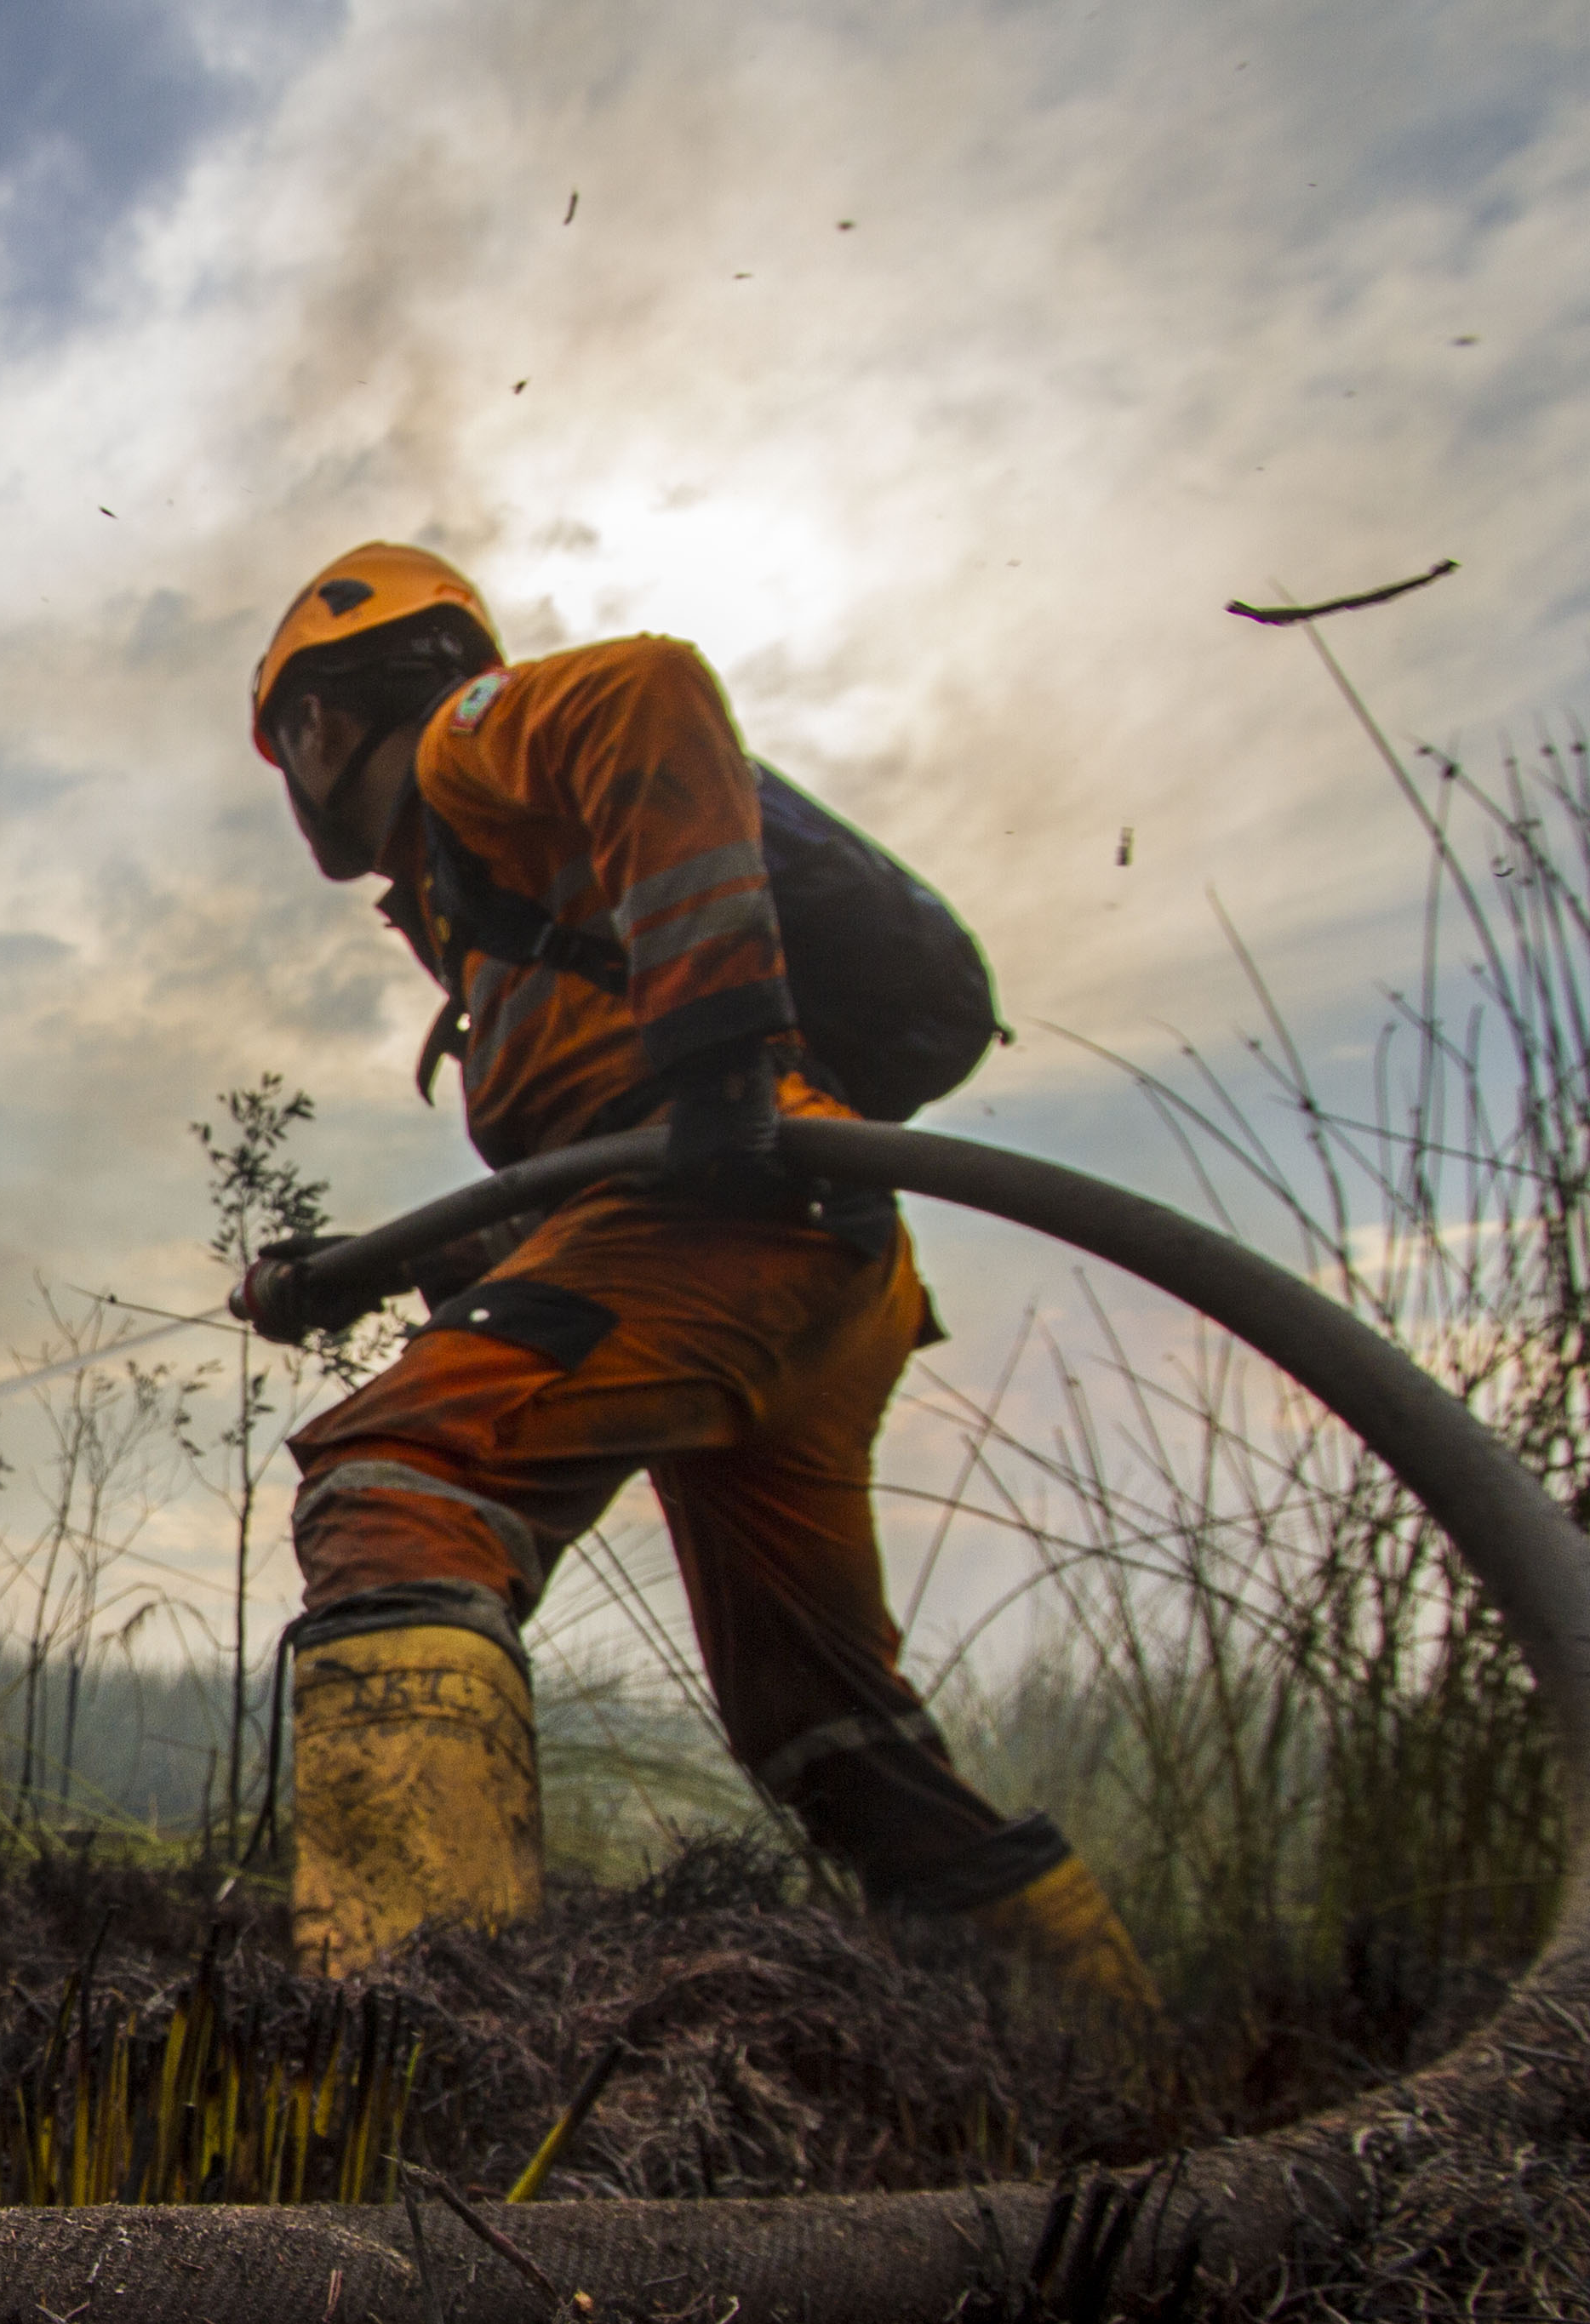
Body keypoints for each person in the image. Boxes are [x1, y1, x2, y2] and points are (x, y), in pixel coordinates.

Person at [232, 540, 1158, 2016]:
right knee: (823, 1728)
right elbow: (584, 1169)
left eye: (287, 738)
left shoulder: (474, 747)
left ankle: (416, 2045)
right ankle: (1120, 2061)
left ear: (320, 724)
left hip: (751, 1221)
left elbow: (650, 690)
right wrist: (357, 1277)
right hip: (805, 1259)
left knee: (396, 1478)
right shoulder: (491, 896)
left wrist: (721, 1059)